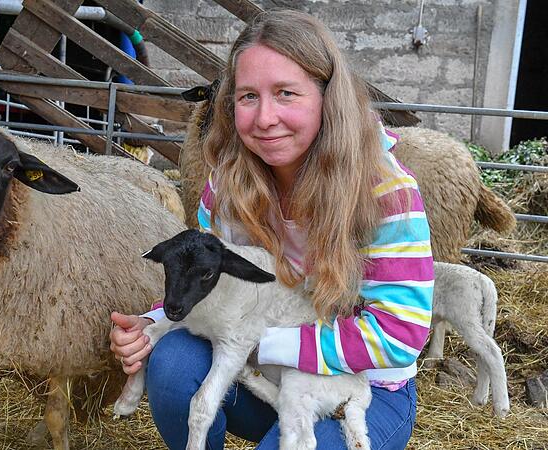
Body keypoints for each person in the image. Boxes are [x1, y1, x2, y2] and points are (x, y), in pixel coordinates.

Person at [110, 9, 433, 450]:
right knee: (171, 364)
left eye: (286, 93)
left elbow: (400, 333)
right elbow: (213, 284)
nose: (264, 118)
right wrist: (150, 323)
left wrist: (259, 342)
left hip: (361, 388)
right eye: (247, 97)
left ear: (327, 98)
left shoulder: (385, 194)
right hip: (263, 373)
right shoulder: (227, 187)